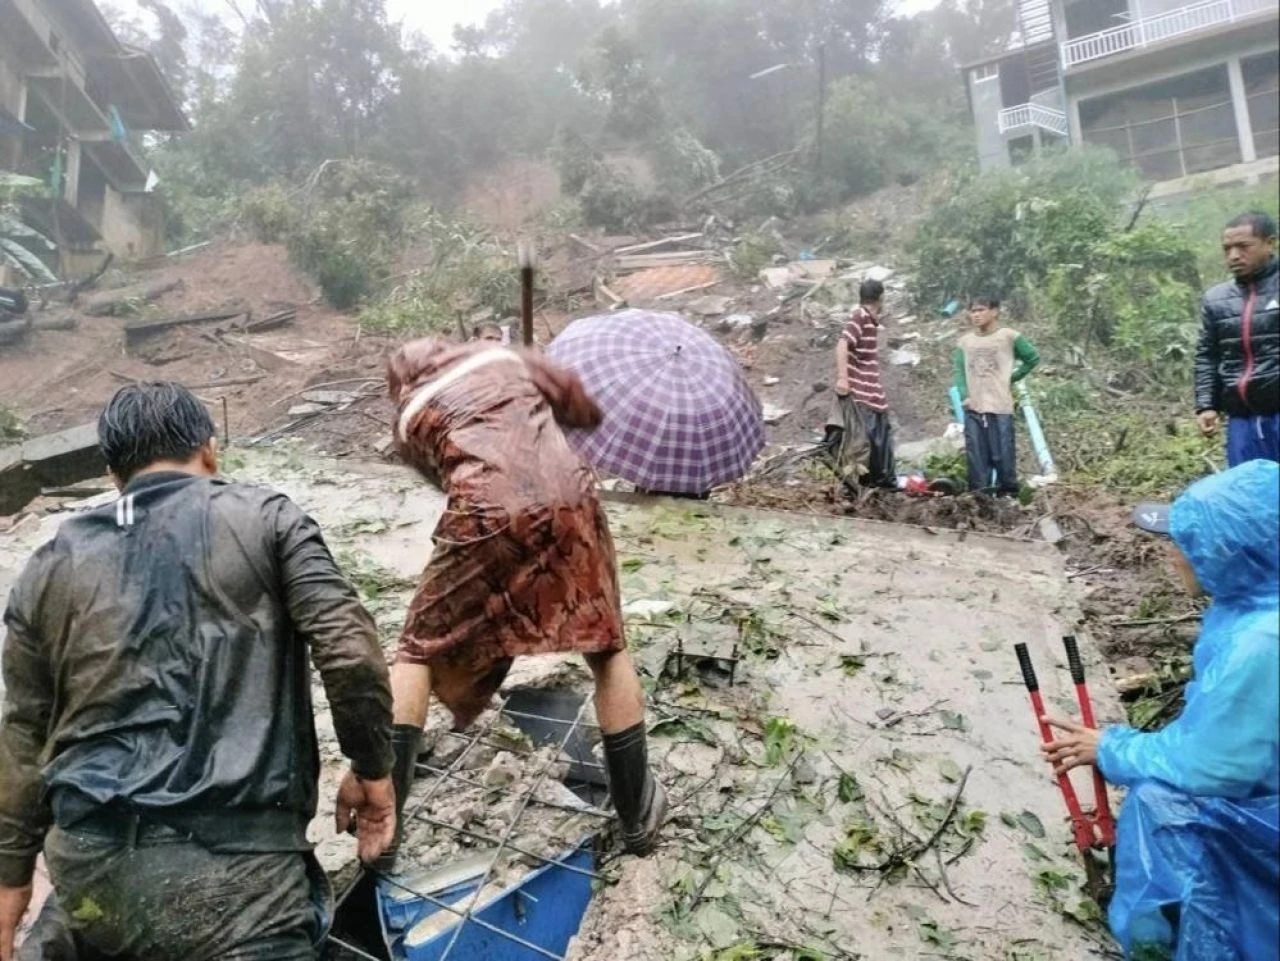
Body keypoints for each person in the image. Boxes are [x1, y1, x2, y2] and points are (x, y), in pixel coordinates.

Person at [0, 382, 396, 961]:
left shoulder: (49, 564)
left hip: (93, 874)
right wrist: (372, 769)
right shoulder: (270, 520)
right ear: (209, 450)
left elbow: (21, 735)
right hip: (241, 884)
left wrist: (11, 878)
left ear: (115, 473)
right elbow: (350, 651)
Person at [379, 338, 666, 866]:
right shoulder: (505, 358)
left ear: (402, 380)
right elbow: (583, 407)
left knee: (416, 650)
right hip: (572, 498)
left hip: (484, 509)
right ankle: (637, 816)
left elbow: (450, 480)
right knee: (606, 648)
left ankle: (387, 827)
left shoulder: (407, 420)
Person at [1041, 459, 1279, 960]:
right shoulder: (1247, 604)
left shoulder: (1260, 642)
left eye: (1184, 543)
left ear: (1229, 552)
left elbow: (1215, 766)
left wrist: (1112, 747)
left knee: (1158, 807)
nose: (1173, 556)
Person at [1194, 210, 1279, 466]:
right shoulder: (1216, 299)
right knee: (1248, 495)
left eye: (1244, 247)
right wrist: (1206, 405)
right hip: (1241, 418)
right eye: (1227, 248)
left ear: (1270, 243)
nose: (1234, 256)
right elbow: (1207, 355)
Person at [953, 294, 1039, 496]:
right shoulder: (965, 342)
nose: (976, 315)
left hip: (1000, 405)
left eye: (981, 310)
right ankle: (980, 497)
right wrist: (965, 395)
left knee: (1003, 454)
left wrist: (1012, 377)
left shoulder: (1009, 336)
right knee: (977, 455)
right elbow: (959, 372)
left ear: (994, 311)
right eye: (973, 311)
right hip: (974, 407)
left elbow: (1032, 358)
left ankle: (1007, 495)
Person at [825, 279, 895, 489]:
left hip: (872, 395)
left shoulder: (870, 321)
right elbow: (842, 343)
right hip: (862, 395)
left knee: (878, 443)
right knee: (862, 444)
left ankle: (875, 485)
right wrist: (843, 378)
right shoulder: (861, 316)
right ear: (881, 298)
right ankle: (858, 486)